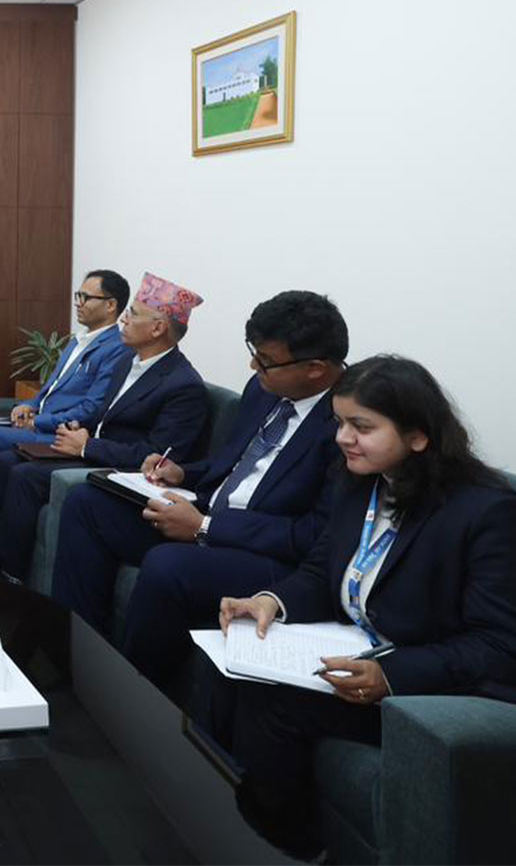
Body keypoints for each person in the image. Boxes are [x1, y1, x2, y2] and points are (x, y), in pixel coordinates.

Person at [215, 355, 516, 859]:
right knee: (235, 669)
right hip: (357, 647)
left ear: (418, 436)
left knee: (275, 705)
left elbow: (500, 645)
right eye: (339, 423)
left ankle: (291, 846)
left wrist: (391, 675)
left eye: (362, 426)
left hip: (429, 685)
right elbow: (321, 571)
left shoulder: (486, 512)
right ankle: (229, 815)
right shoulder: (360, 483)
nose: (342, 438)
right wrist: (270, 601)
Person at [52, 290, 349, 687]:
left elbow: (314, 533)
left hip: (265, 552)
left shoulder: (347, 425)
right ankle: (73, 650)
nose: (253, 365)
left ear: (315, 368)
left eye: (266, 361)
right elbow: (230, 463)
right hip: (209, 511)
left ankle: (132, 692)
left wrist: (206, 528)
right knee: (87, 503)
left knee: (167, 566)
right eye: (253, 353)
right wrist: (182, 473)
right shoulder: (265, 390)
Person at [0, 271, 210, 582]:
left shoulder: (183, 385)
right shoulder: (128, 361)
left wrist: (86, 446)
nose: (123, 320)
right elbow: (99, 410)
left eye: (132, 314)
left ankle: (9, 577)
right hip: (88, 448)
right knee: (5, 461)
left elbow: (156, 456)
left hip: (116, 466)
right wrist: (74, 431)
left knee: (25, 476)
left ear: (157, 328)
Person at [0, 269, 132, 505]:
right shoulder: (78, 340)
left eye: (86, 298)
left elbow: (91, 409)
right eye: (78, 295)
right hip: (39, 419)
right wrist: (30, 405)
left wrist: (37, 422)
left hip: (56, 432)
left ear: (110, 305)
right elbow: (52, 386)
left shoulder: (116, 349)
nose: (78, 303)